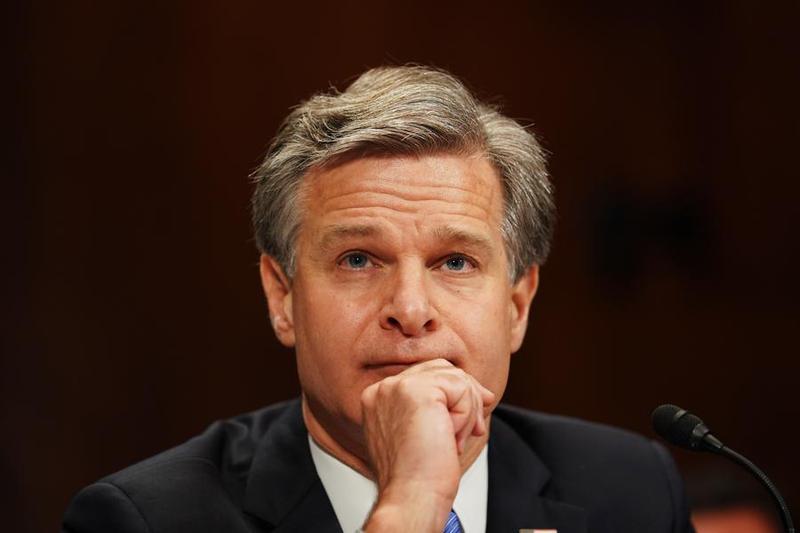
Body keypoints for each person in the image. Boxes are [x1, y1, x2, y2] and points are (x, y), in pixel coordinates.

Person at [62, 65, 695, 533]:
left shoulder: (631, 492)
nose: (411, 309)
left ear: (517, 305)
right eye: (359, 260)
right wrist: (413, 501)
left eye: (455, 261)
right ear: (282, 297)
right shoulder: (147, 521)